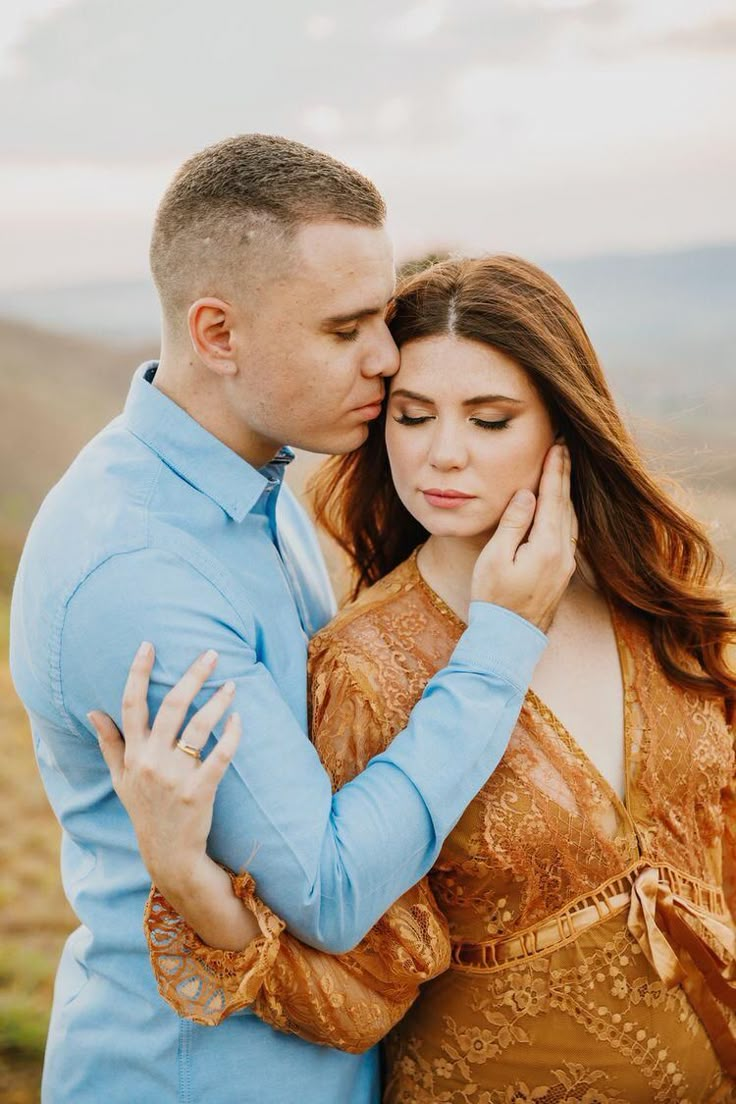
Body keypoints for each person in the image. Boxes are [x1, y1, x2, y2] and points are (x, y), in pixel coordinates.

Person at [9, 136, 575, 1104]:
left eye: (383, 318)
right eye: (345, 327)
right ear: (218, 334)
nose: (387, 357)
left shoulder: (250, 485)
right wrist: (503, 639)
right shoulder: (143, 569)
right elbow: (332, 892)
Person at [99, 255, 736, 1103]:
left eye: (489, 419)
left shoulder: (652, 600)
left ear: (562, 425)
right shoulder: (365, 672)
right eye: (414, 415)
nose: (444, 455)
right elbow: (360, 991)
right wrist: (188, 878)